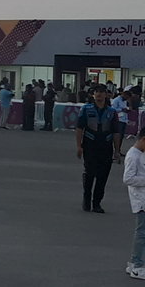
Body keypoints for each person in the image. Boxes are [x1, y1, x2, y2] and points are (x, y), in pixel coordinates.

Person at [77, 84, 123, 213]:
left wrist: (117, 150)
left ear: (106, 95)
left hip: (105, 146)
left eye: (102, 92)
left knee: (102, 176)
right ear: (93, 94)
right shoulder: (86, 109)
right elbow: (79, 128)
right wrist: (78, 146)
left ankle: (97, 203)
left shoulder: (112, 112)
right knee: (90, 173)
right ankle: (86, 199)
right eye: (97, 92)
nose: (99, 94)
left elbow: (116, 132)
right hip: (90, 145)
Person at [122, 128, 145, 279]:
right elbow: (128, 178)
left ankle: (134, 262)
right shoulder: (133, 155)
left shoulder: (140, 154)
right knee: (141, 233)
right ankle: (137, 265)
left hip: (142, 197)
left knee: (142, 232)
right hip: (140, 199)